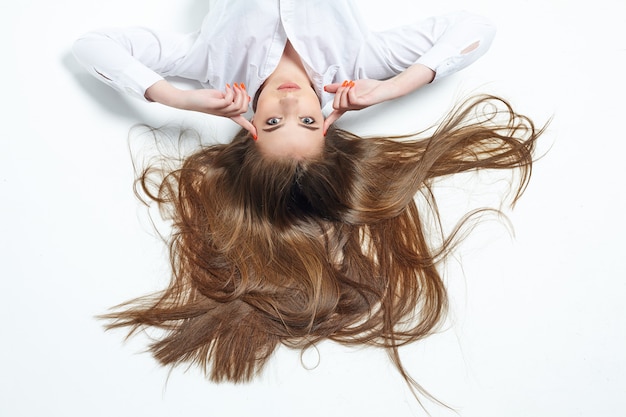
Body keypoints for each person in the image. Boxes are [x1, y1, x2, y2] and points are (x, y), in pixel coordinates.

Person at [73, 0, 543, 404]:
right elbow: (477, 29)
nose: (293, 105)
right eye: (310, 124)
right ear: (329, 126)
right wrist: (393, 87)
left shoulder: (210, 64)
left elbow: (93, 46)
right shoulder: (360, 62)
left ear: (249, 132)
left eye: (274, 123)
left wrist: (179, 97)